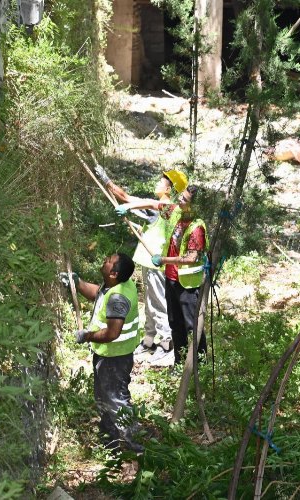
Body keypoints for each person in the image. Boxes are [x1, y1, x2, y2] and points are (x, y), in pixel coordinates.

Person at [94, 165, 188, 360]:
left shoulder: (163, 207)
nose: (157, 182)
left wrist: (106, 180)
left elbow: (126, 198)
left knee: (157, 303)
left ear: (169, 189)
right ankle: (148, 341)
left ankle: (165, 344)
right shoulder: (165, 210)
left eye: (162, 180)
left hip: (154, 264)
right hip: (150, 262)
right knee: (150, 304)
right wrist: (137, 225)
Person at [58, 253, 144, 452]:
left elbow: (112, 332)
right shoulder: (116, 284)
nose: (104, 260)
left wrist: (87, 336)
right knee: (104, 397)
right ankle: (109, 439)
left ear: (113, 273)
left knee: (116, 399)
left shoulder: (118, 298)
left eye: (108, 261)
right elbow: (98, 293)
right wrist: (77, 283)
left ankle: (135, 442)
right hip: (109, 355)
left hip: (115, 358)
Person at [115, 185, 209, 365]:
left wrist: (164, 260)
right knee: (175, 324)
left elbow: (191, 257)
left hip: (188, 285)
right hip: (171, 279)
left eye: (185, 200)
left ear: (194, 206)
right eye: (181, 196)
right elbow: (152, 204)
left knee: (192, 327)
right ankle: (180, 362)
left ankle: (200, 366)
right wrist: (128, 207)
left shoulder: (197, 227)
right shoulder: (175, 212)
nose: (180, 200)